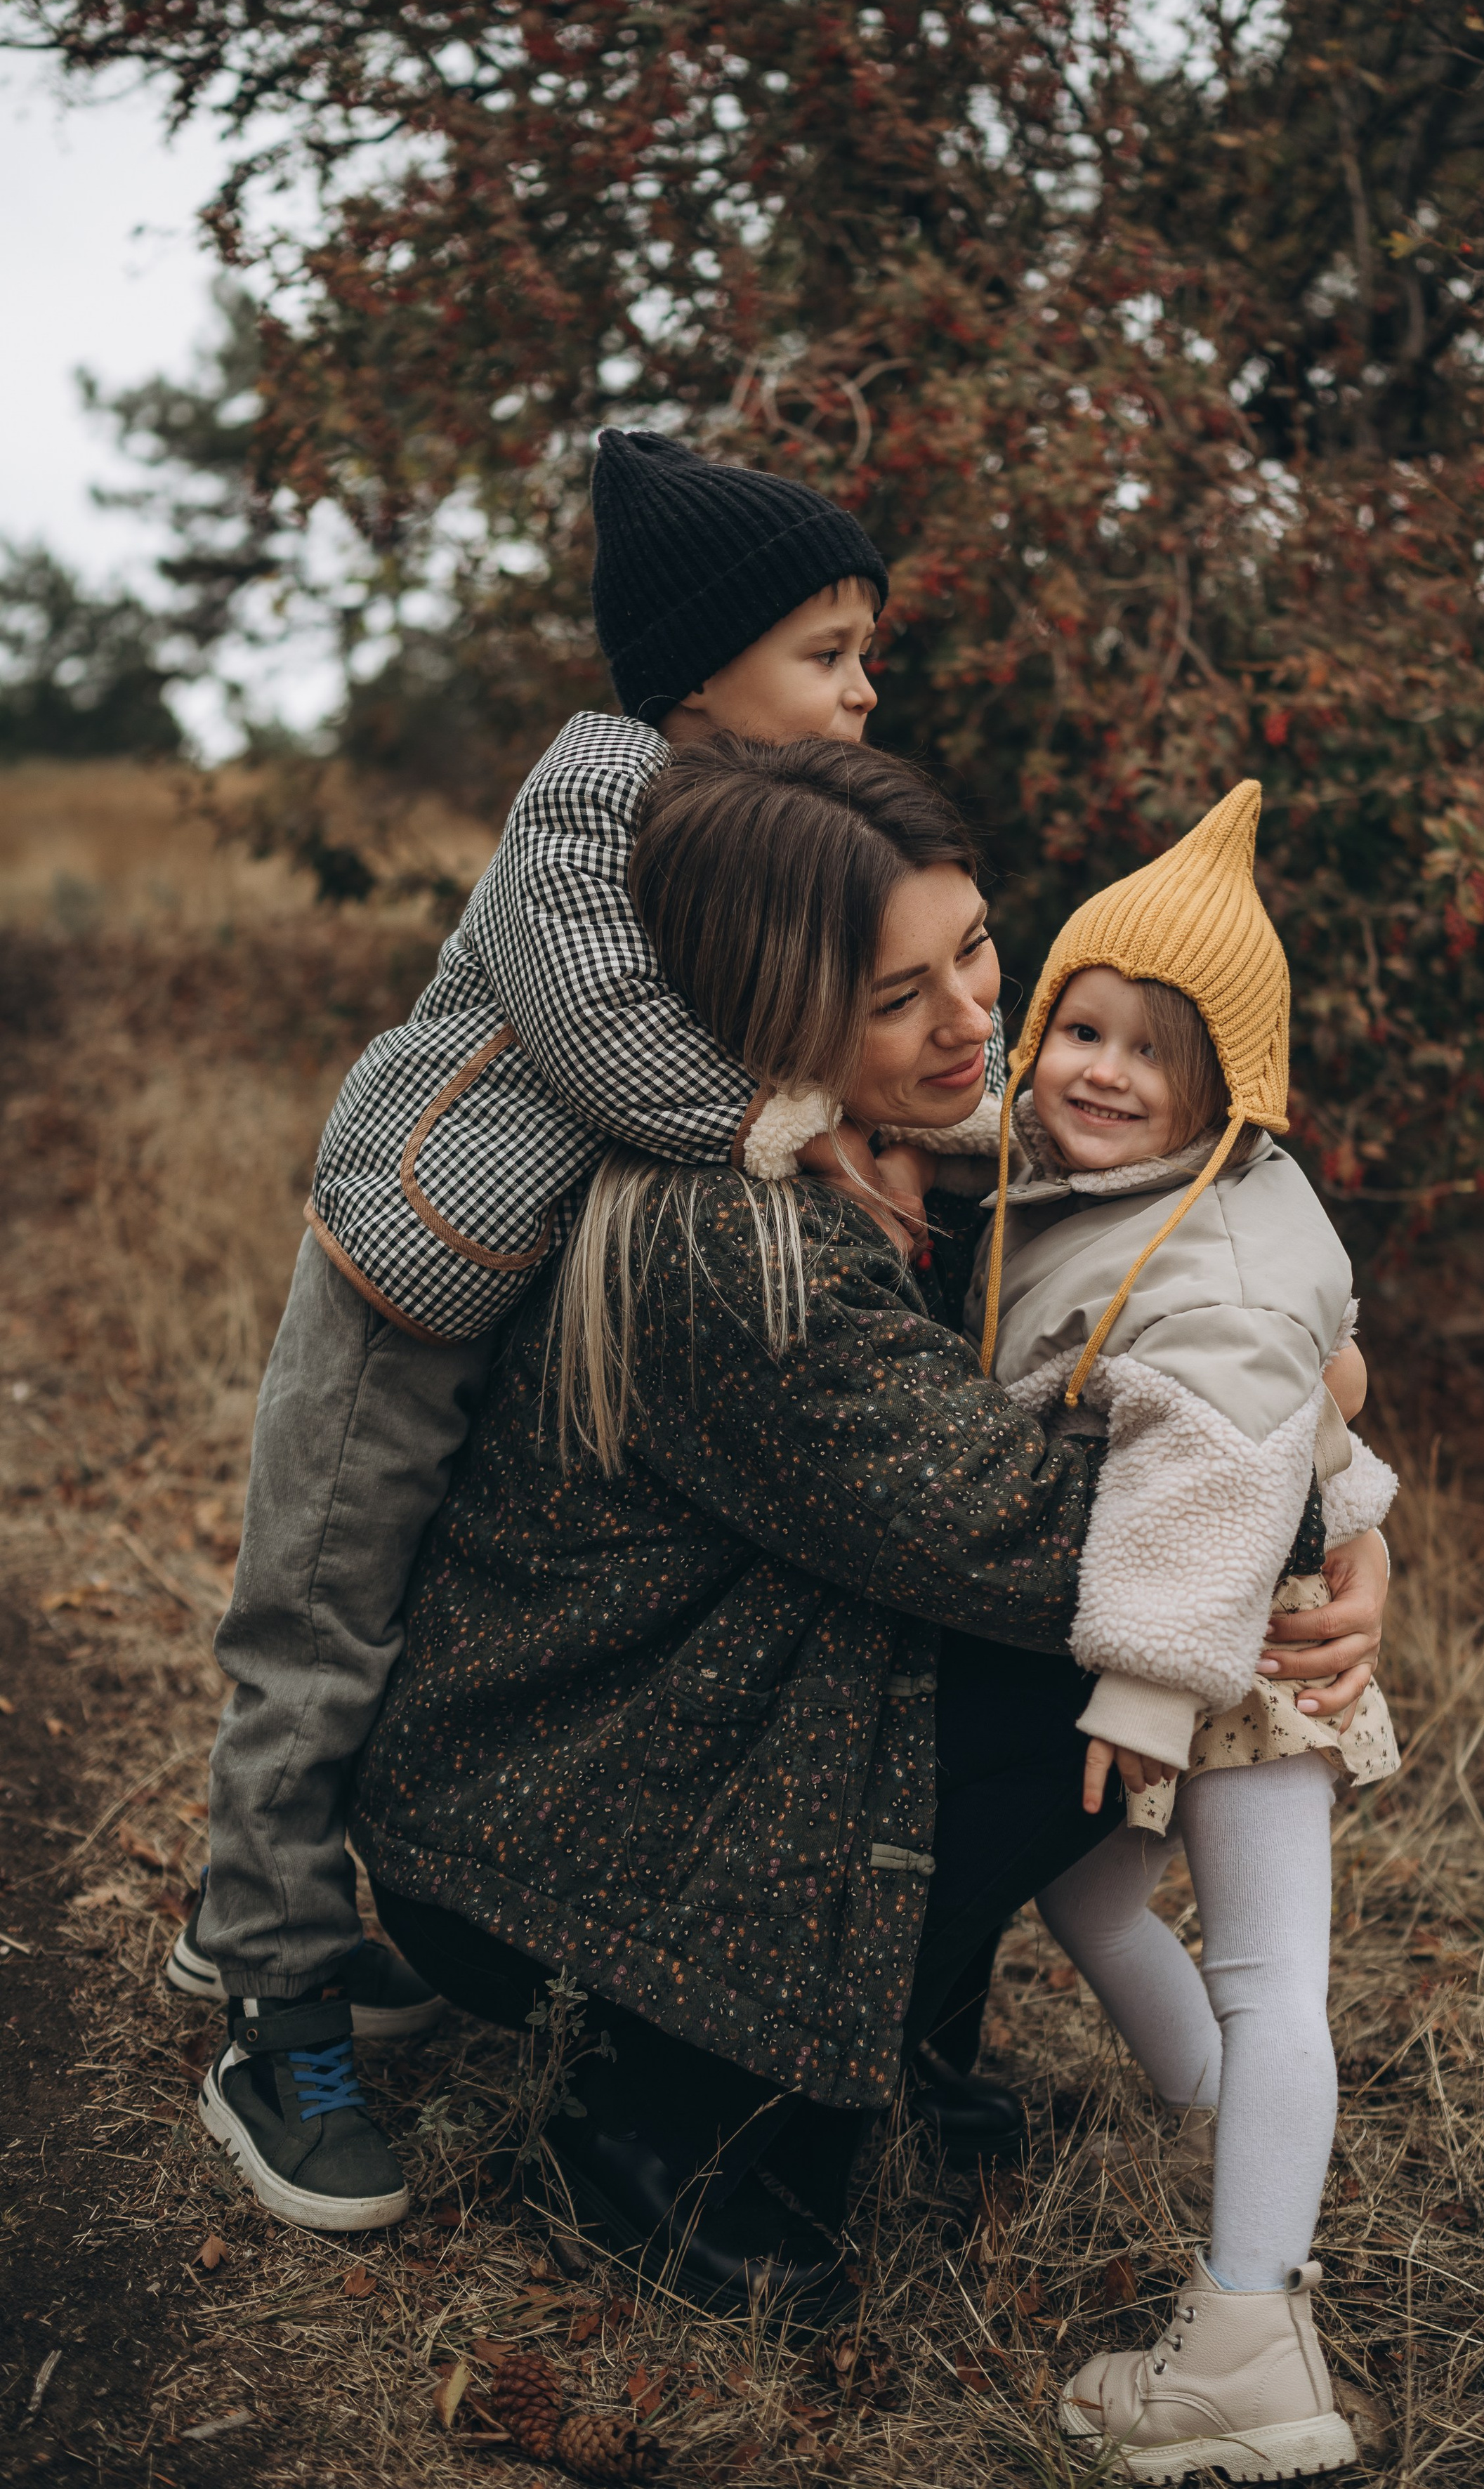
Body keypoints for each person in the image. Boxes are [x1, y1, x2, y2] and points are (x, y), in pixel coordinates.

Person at [338, 738, 1393, 2324]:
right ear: (778, 1014)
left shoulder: (919, 1149)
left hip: (650, 1734)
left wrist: (1346, 1487)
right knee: (1085, 1653)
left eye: (973, 949)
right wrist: (1318, 1502)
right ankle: (666, 2118)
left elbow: (1210, 1295)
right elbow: (1043, 1533)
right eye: (900, 997)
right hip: (542, 1829)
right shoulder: (731, 1246)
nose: (978, 1019)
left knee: (1128, 1610)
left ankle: (861, 2034)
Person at [171, 432, 999, 2233]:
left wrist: (1010, 1132)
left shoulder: (764, 836)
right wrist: (810, 1129)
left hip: (543, 1291)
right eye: (824, 652)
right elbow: (610, 1035)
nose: (863, 688)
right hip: (410, 1270)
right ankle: (264, 1985)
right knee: (320, 1621)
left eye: (866, 651)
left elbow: (886, 1022)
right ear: (695, 665)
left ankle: (318, 1907)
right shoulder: (587, 800)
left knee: (446, 1619)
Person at [970, 782, 1398, 2482]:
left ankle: (1244, 2335)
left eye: (1149, 1051)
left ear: (1226, 1096)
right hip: (1196, 1608)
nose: (1096, 1070)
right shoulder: (1098, 1176)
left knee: (1270, 1964)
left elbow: (1223, 1466)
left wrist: (1148, 1687)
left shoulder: (1211, 1245)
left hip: (1240, 1635)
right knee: (1077, 1889)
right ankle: (1224, 2121)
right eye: (1074, 1025)